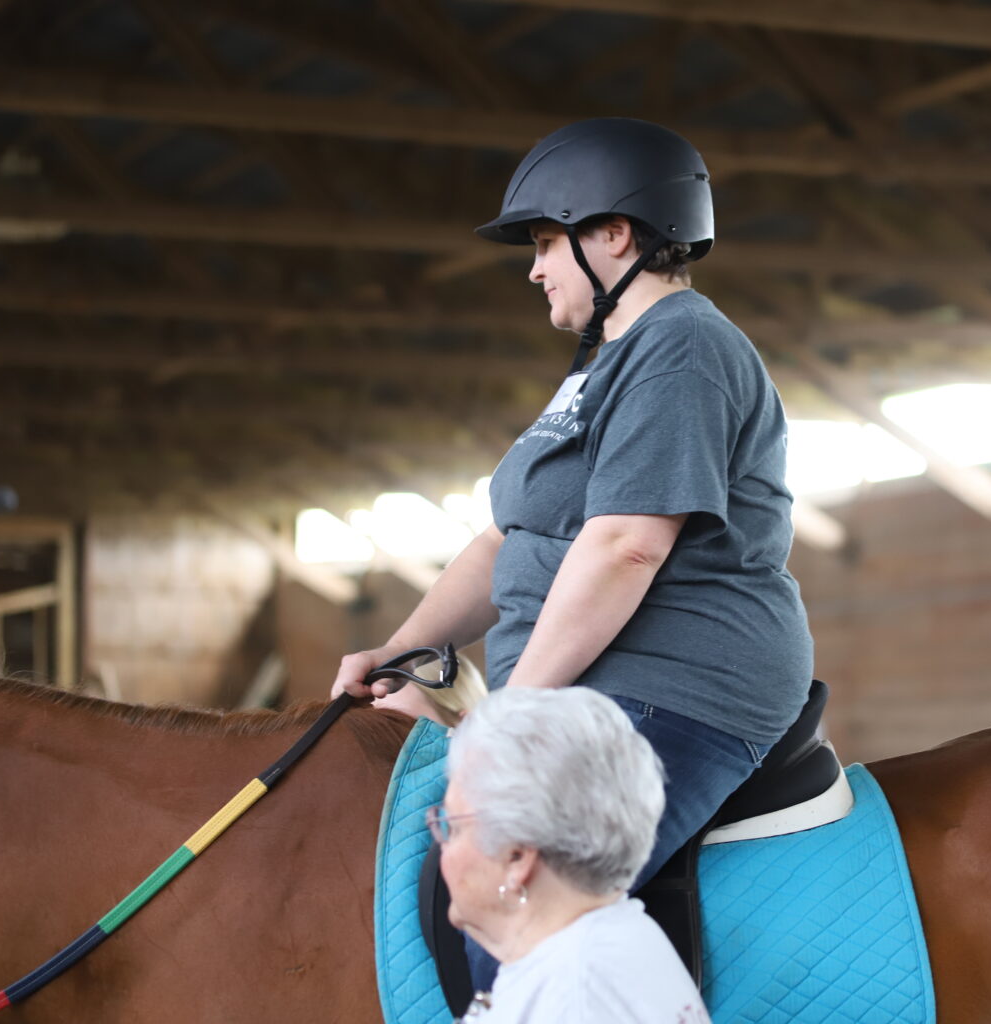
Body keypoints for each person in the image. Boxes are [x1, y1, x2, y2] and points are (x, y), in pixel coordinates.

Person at [333, 117, 814, 989]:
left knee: (517, 884)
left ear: (616, 237)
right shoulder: (598, 371)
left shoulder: (685, 348)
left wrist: (510, 711)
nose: (534, 266)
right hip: (589, 691)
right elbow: (502, 539)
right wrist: (398, 649)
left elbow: (628, 545)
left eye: (548, 241)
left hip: (679, 685)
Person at [434, 685, 710, 1023]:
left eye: (454, 828)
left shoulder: (572, 992)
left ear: (517, 857)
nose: (443, 847)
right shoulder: (600, 948)